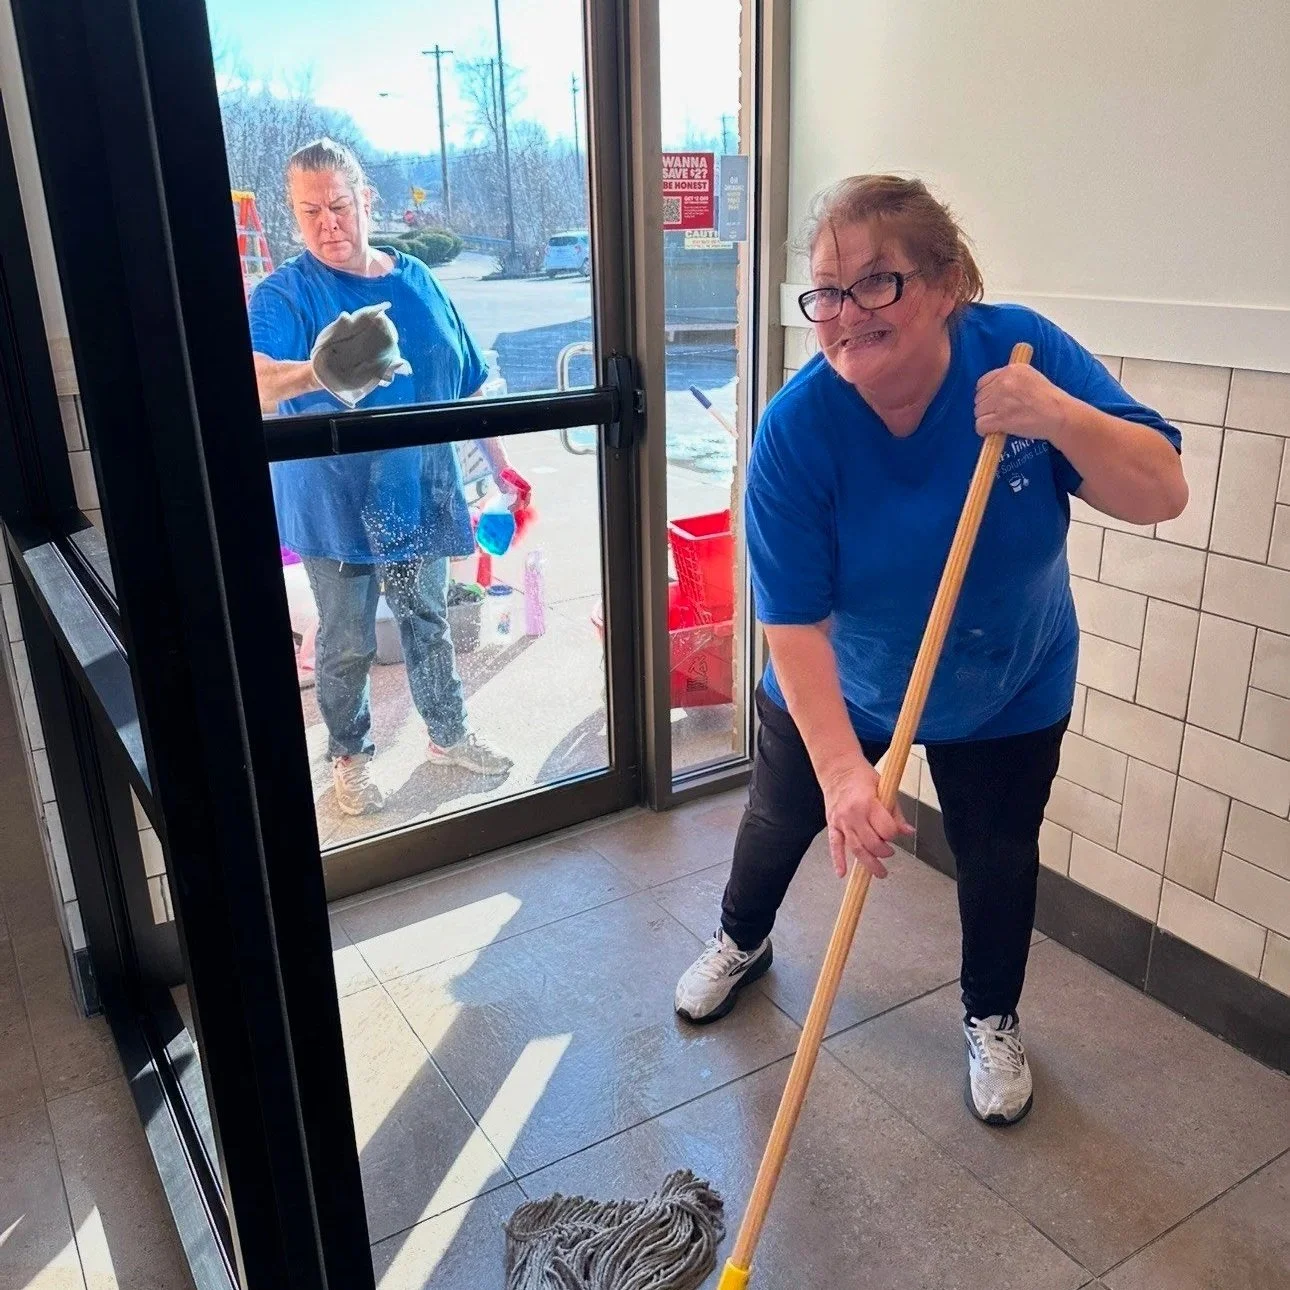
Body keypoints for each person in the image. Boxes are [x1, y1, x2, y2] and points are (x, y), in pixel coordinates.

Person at [674, 175, 1187, 1126]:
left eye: (878, 283)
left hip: (1011, 679)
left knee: (997, 853)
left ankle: (991, 1014)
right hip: (848, 681)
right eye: (826, 290)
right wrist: (840, 772)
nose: (845, 313)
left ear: (947, 283)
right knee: (782, 818)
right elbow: (791, 623)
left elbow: (1162, 490)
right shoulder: (796, 432)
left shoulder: (1020, 359)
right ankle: (740, 939)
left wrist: (1060, 419)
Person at [250, 137, 518, 817]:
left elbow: (466, 382)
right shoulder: (286, 293)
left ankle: (448, 735)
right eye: (309, 212)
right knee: (345, 643)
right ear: (293, 215)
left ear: (366, 201)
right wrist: (317, 372)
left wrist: (503, 470)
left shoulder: (417, 280)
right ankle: (349, 758)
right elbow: (250, 382)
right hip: (332, 504)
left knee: (427, 620)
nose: (327, 225)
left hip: (419, 492)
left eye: (338, 206)